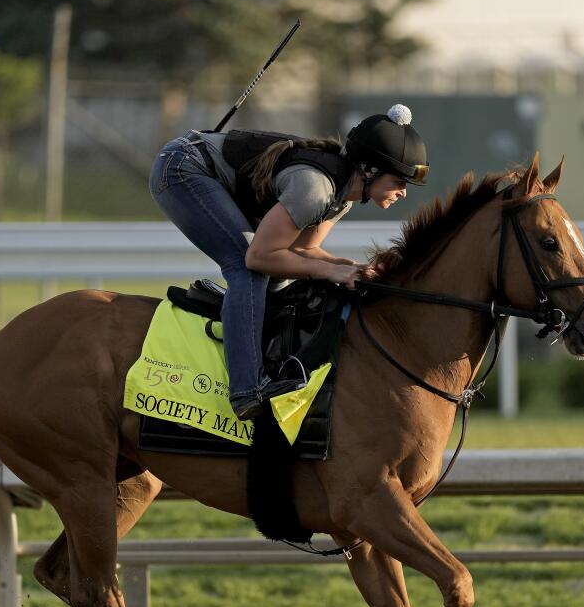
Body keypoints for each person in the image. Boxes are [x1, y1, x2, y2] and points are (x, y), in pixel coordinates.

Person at [149, 104, 429, 420]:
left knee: (277, 275)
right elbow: (260, 257)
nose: (404, 193)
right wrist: (332, 270)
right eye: (399, 181)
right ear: (370, 170)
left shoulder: (340, 201)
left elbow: (302, 253)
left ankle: (267, 363)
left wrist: (350, 267)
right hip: (183, 167)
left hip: (199, 164)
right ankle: (246, 391)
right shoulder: (316, 190)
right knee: (247, 268)